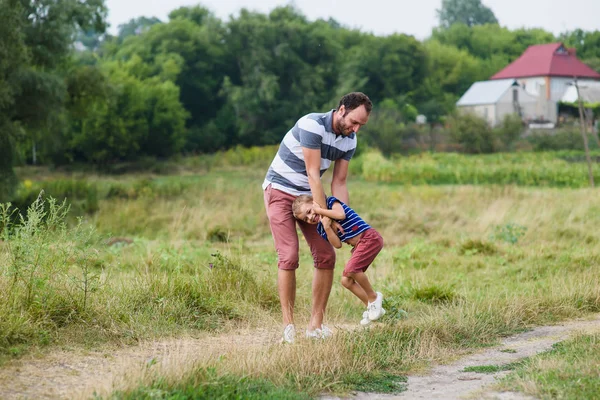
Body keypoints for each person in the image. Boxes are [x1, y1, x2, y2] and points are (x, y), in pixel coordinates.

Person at [262, 92, 372, 343]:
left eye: (360, 126)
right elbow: (313, 174)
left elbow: (339, 182)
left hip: (310, 197)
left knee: (326, 255)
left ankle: (315, 326)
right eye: (354, 122)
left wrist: (344, 221)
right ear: (342, 109)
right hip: (281, 190)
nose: (355, 129)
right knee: (289, 255)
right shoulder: (312, 125)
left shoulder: (349, 140)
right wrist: (324, 216)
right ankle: (289, 329)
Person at [292, 194, 384, 326]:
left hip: (369, 238)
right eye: (306, 219)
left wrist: (320, 211)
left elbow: (340, 215)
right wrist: (327, 226)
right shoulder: (321, 228)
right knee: (346, 281)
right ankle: (372, 307)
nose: (310, 217)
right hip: (359, 245)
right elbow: (337, 245)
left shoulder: (330, 202)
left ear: (314, 202)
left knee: (352, 269)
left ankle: (374, 298)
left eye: (309, 211)